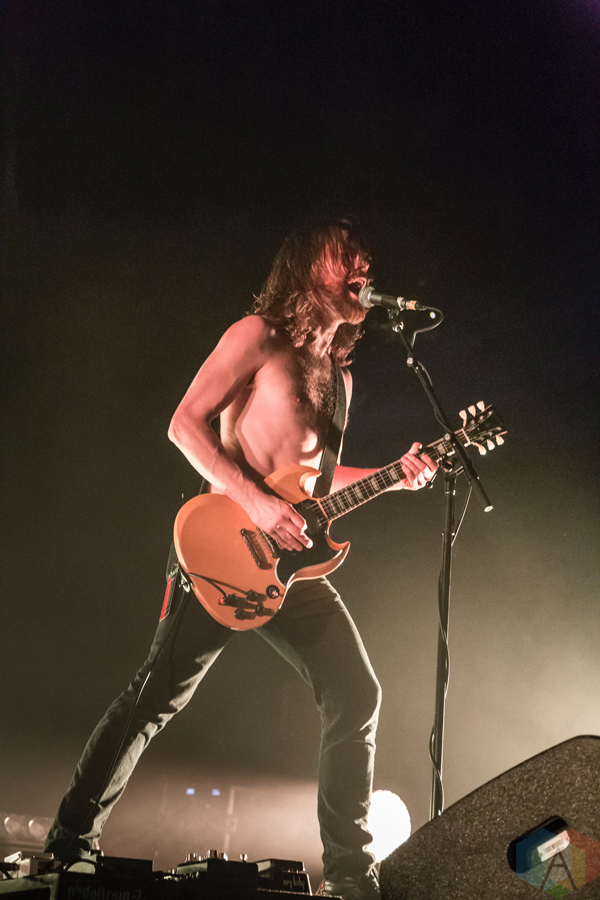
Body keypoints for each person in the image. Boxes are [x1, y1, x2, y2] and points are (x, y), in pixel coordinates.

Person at [44, 220, 437, 900]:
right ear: (307, 265)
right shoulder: (258, 336)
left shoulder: (339, 379)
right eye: (345, 255)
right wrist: (256, 504)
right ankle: (69, 843)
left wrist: (393, 477)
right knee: (155, 698)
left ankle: (351, 875)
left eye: (366, 258)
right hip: (223, 546)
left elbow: (313, 485)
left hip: (291, 567)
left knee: (356, 693)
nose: (362, 266)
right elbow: (184, 425)